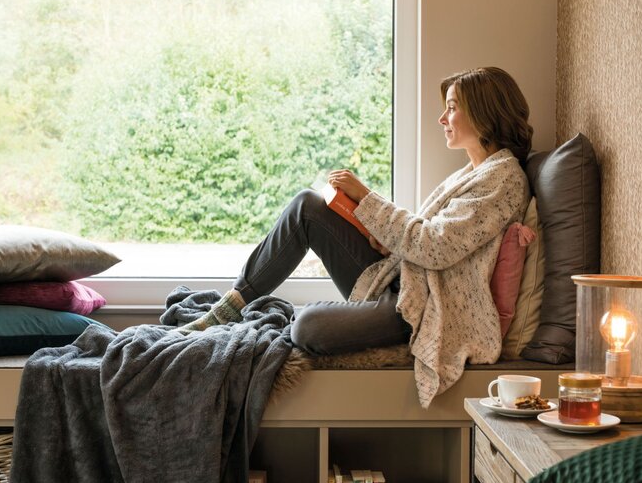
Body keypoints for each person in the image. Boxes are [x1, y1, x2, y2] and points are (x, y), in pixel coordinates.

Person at [181, 66, 533, 408]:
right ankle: (232, 306)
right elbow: (430, 242)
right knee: (307, 206)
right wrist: (381, 236)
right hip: (405, 283)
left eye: (453, 108)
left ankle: (298, 315)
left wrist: (366, 198)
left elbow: (436, 247)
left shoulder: (503, 178)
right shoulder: (473, 173)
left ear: (485, 114)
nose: (442, 118)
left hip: (422, 309)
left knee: (308, 328)